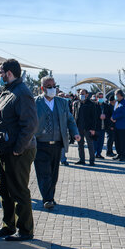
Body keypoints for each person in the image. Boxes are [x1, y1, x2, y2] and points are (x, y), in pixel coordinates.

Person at [0, 59, 38, 241]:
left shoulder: (22, 93)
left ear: (9, 73)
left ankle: (25, 230)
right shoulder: (7, 92)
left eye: (1, 73)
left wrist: (18, 148)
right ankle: (8, 225)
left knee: (18, 190)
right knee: (4, 189)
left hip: (18, 151)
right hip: (4, 150)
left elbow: (30, 124)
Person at [34, 76, 80, 209]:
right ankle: (47, 198)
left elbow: (70, 119)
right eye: (49, 86)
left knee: (53, 173)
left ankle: (50, 196)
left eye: (54, 86)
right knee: (44, 173)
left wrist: (75, 132)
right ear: (42, 88)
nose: (52, 89)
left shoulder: (62, 102)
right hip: (40, 144)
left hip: (57, 143)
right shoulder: (35, 103)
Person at [73, 89, 98, 165]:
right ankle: (82, 160)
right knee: (80, 145)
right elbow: (74, 115)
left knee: (90, 144)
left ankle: (92, 160)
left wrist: (93, 129)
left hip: (88, 128)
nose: (81, 95)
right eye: (80, 94)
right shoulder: (77, 103)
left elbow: (94, 117)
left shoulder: (91, 104)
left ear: (87, 95)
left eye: (83, 94)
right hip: (79, 128)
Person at [111, 90, 125, 161]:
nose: (115, 96)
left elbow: (123, 113)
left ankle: (123, 155)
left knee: (122, 141)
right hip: (116, 125)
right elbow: (114, 111)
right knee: (117, 141)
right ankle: (118, 154)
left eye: (116, 95)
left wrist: (114, 117)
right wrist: (112, 117)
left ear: (121, 95)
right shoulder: (116, 103)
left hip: (122, 125)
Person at [94, 92, 113, 158]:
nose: (101, 98)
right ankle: (94, 153)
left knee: (101, 141)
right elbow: (91, 115)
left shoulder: (106, 106)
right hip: (96, 126)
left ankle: (99, 153)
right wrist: (99, 116)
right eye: (99, 97)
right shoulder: (94, 105)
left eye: (102, 97)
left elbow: (109, 115)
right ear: (96, 98)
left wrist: (105, 116)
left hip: (103, 126)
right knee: (95, 141)